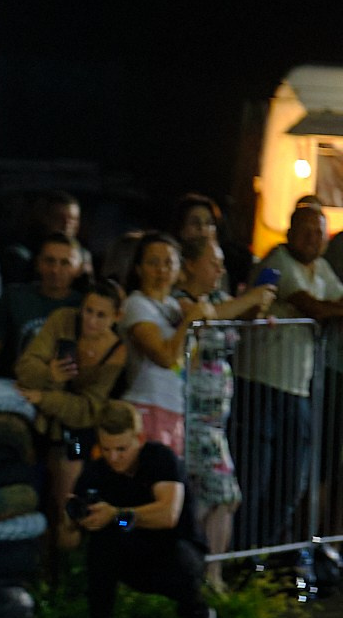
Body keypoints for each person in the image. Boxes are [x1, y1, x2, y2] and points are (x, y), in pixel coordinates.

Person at [60, 401, 214, 618]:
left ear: (139, 438)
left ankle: (197, 614)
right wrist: (73, 522)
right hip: (130, 546)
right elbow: (69, 541)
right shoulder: (96, 471)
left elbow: (168, 515)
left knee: (171, 552)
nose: (114, 457)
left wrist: (116, 514)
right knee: (106, 535)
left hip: (174, 547)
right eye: (107, 449)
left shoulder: (160, 459)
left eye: (121, 449)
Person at [237, 205, 343, 549]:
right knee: (255, 479)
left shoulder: (322, 268)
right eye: (306, 231)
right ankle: (240, 552)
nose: (313, 239)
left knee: (290, 482)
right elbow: (312, 307)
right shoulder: (278, 261)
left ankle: (260, 554)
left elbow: (334, 302)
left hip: (297, 388)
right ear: (289, 232)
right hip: (260, 384)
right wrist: (331, 310)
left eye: (319, 233)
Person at [176, 229, 276, 587]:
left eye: (221, 264)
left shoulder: (218, 298)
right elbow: (206, 320)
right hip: (190, 416)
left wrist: (253, 312)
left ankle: (200, 572)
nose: (219, 270)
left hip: (216, 418)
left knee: (205, 499)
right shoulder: (181, 301)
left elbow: (227, 321)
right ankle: (212, 574)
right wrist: (248, 299)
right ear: (189, 265)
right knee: (225, 493)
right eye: (212, 263)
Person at [16, 279, 128, 513]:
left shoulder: (116, 352)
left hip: (76, 433)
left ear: (116, 317)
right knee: (33, 490)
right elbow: (25, 368)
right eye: (88, 311)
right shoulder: (63, 320)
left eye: (101, 316)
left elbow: (88, 408)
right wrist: (50, 374)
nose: (91, 320)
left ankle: (68, 533)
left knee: (67, 491)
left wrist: (44, 397)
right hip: (41, 423)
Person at [119, 232, 204, 457]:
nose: (162, 270)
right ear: (138, 269)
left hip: (175, 409)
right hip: (147, 408)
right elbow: (165, 358)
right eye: (153, 263)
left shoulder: (176, 307)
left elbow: (188, 363)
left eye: (169, 263)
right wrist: (189, 322)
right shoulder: (136, 304)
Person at [0, 235, 85, 372]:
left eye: (65, 263)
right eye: (49, 261)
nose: (55, 270)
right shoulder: (14, 297)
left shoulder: (85, 306)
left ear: (79, 269)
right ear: (38, 263)